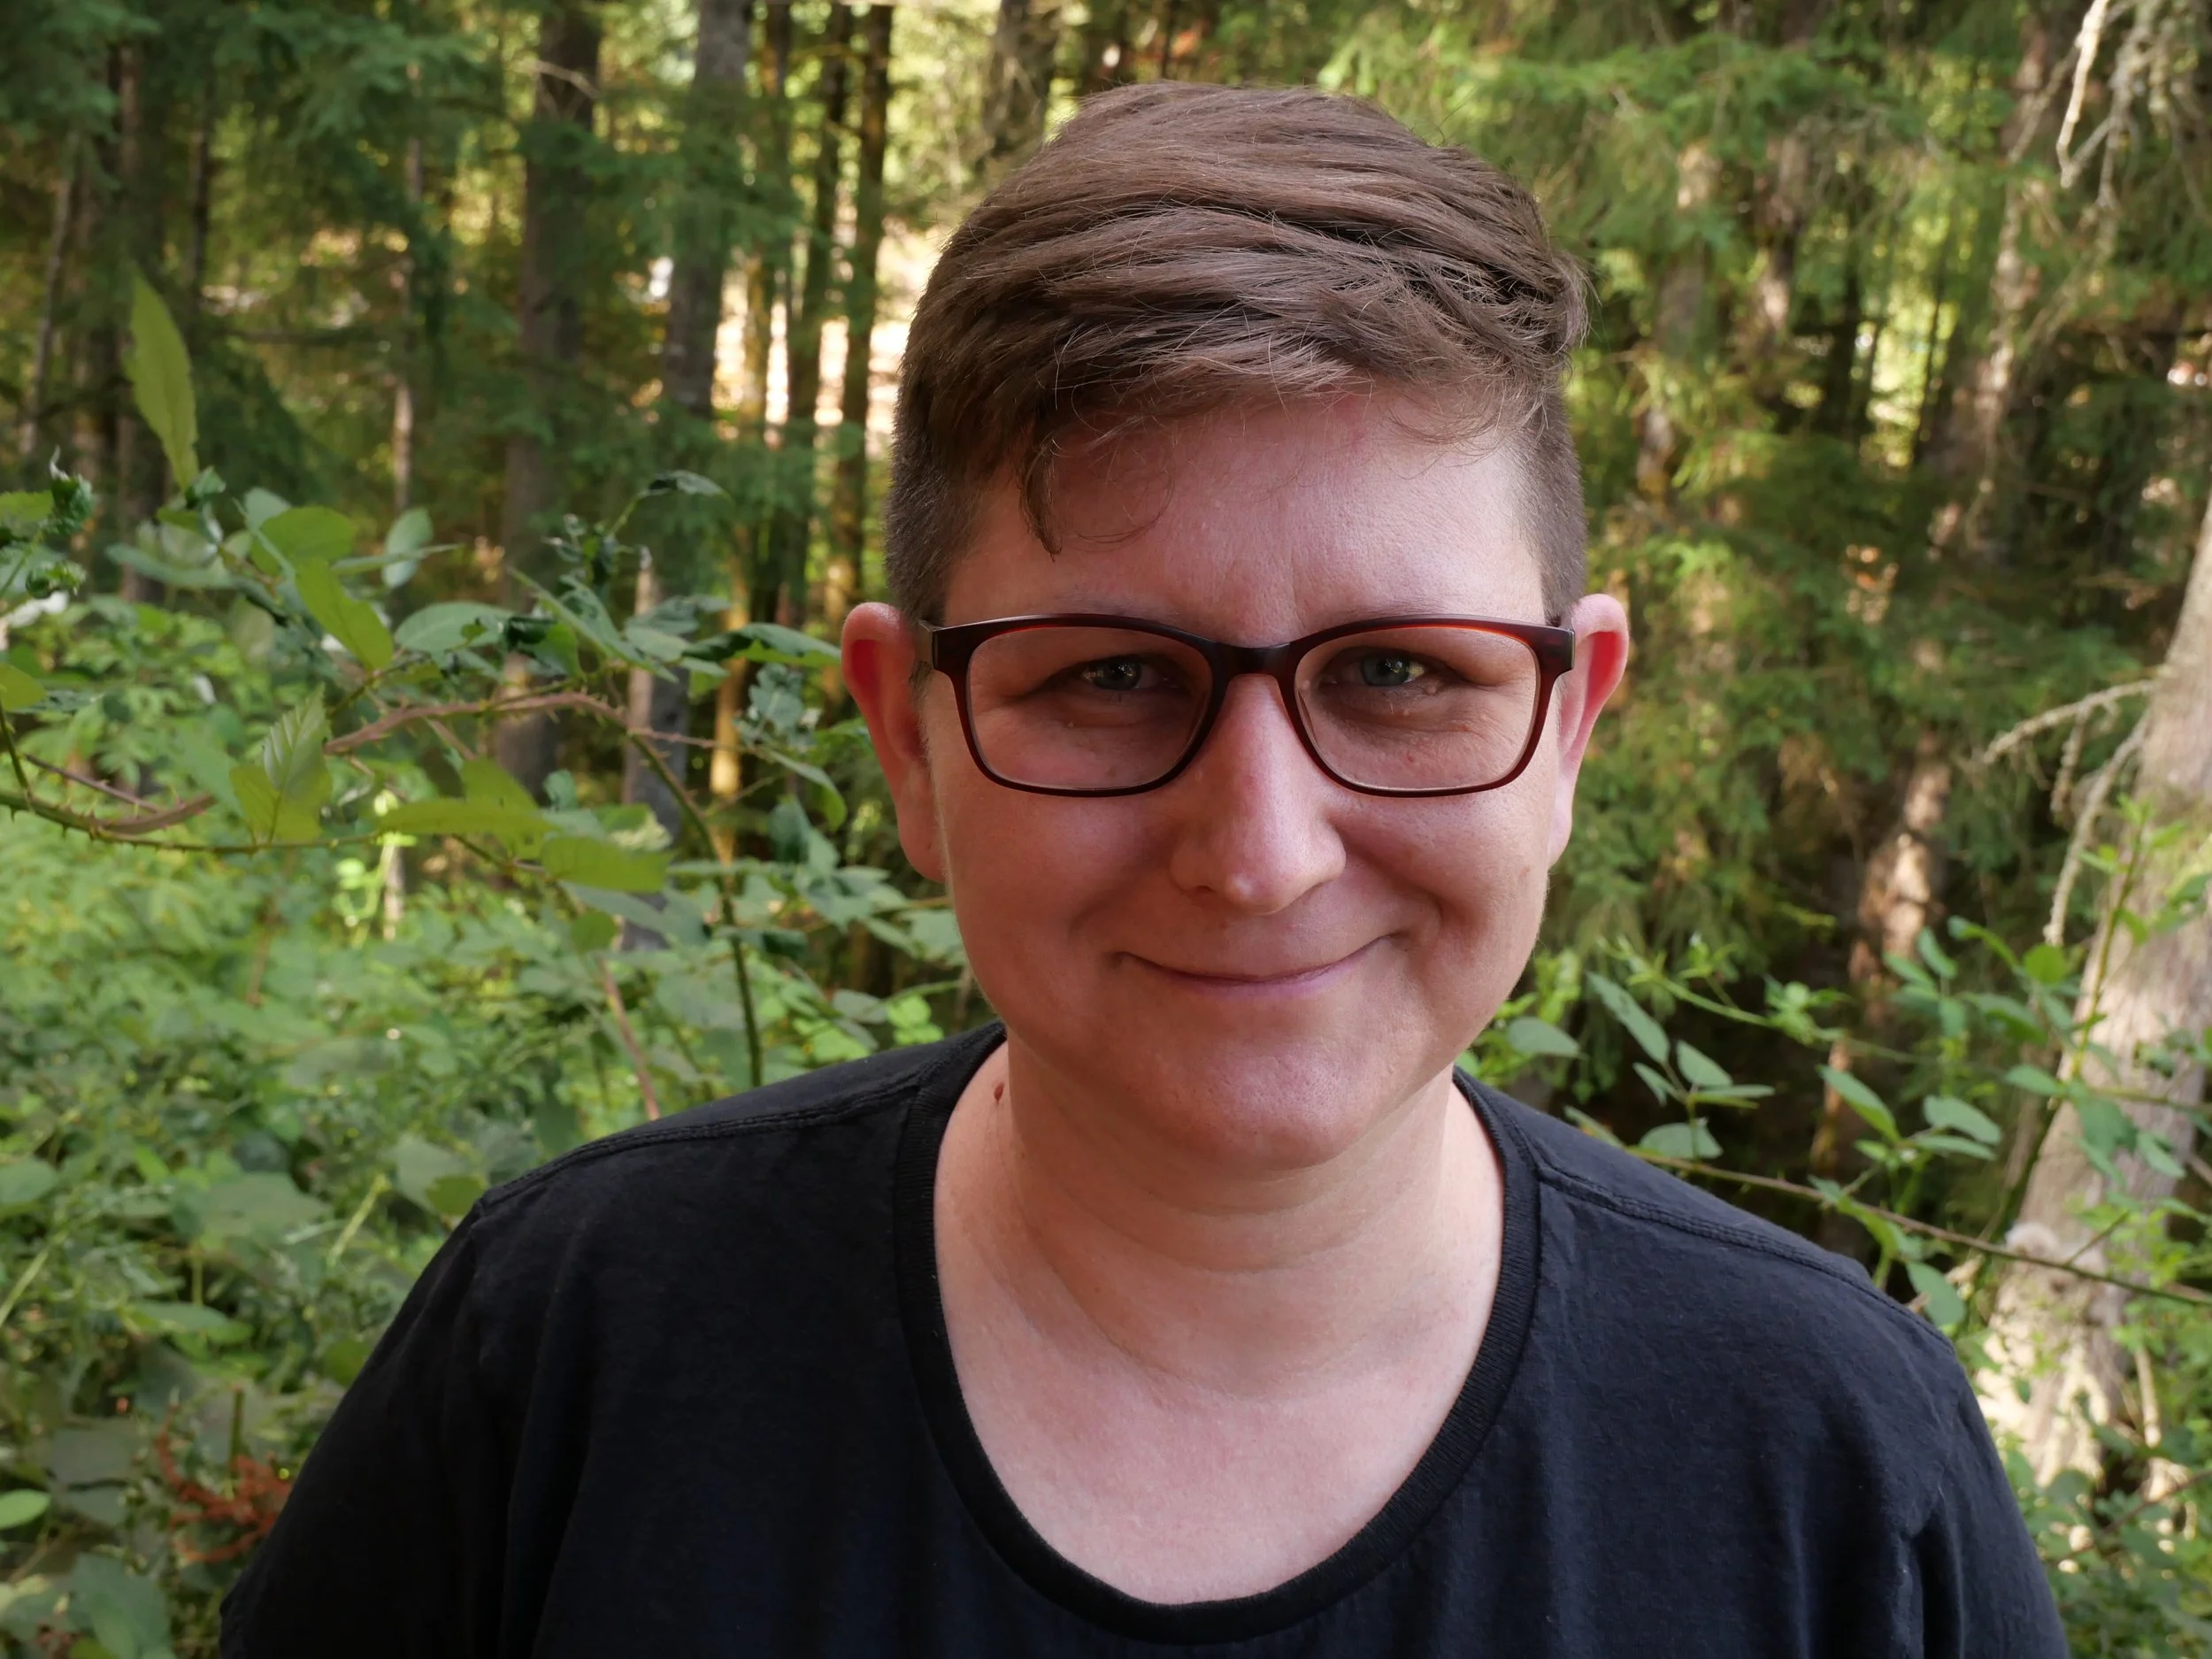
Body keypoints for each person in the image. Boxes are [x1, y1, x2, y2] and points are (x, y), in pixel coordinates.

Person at [222, 83, 2065, 1656]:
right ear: (909, 738)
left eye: (1398, 673)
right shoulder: (564, 1366)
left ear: (1569, 723)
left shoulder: (1837, 1477)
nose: (1258, 855)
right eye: (1109, 677)